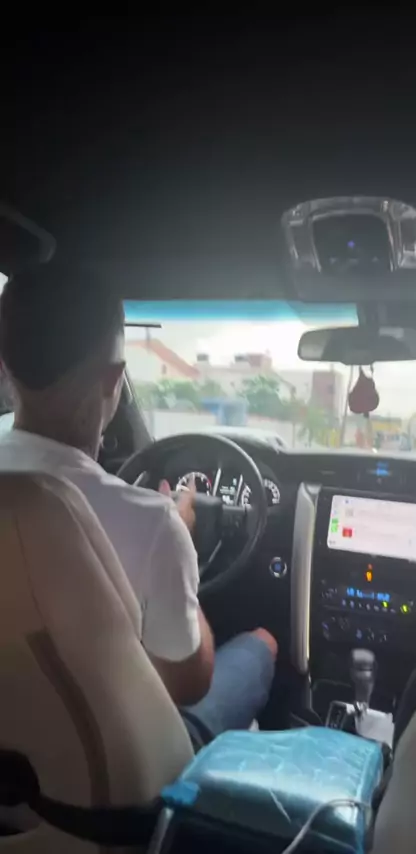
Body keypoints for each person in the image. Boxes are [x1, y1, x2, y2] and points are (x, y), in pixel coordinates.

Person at [0, 264, 277, 745]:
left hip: (14, 752)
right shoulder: (153, 524)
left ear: (5, 367)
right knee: (263, 644)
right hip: (117, 773)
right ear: (113, 380)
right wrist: (182, 548)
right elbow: (188, 684)